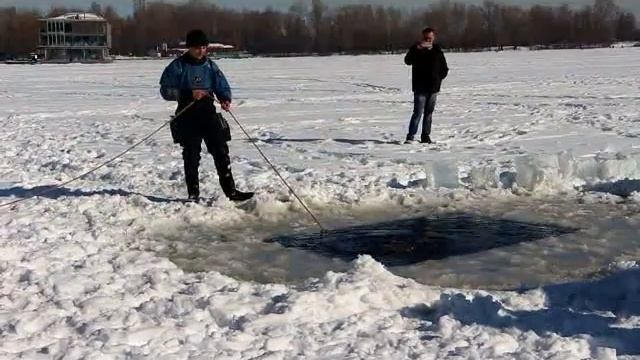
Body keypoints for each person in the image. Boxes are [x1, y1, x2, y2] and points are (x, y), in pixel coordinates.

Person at [160, 29, 253, 202]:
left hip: (208, 112)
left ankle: (231, 191)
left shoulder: (210, 66)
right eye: (197, 48)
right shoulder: (177, 66)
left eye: (204, 47)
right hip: (187, 113)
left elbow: (221, 84)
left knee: (221, 151)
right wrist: (188, 93)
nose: (201, 51)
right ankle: (193, 194)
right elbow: (165, 90)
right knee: (191, 155)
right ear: (189, 48)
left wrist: (225, 99)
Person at [404, 27, 449, 144]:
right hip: (420, 87)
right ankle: (410, 136)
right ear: (422, 37)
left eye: (430, 38)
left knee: (428, 113)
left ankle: (425, 136)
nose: (428, 40)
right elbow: (407, 61)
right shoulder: (416, 49)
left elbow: (444, 68)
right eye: (426, 38)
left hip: (433, 88)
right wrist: (415, 50)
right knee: (417, 112)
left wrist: (438, 80)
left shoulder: (437, 51)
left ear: (433, 38)